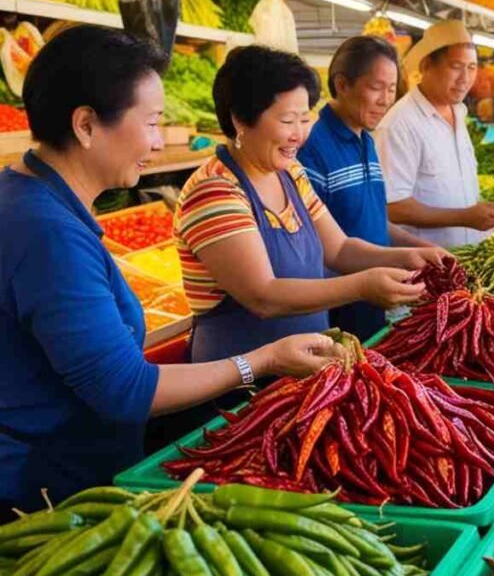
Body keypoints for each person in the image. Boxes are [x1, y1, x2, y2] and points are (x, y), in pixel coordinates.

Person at [0, 26, 346, 513]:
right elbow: (125, 388)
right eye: (151, 123)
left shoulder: (31, 198)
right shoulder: (46, 231)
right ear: (85, 125)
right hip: (48, 492)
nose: (160, 143)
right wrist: (261, 361)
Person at [175, 45, 441, 365]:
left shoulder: (291, 173)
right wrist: (361, 286)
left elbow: (339, 249)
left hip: (306, 369)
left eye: (305, 119)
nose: (299, 136)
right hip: (239, 385)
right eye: (288, 120)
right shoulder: (213, 191)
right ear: (240, 120)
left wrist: (408, 257)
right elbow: (263, 295)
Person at [299, 36, 437, 341]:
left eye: (391, 89)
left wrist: (420, 248)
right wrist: (399, 259)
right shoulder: (311, 147)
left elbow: (374, 221)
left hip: (374, 303)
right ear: (343, 84)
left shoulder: (366, 140)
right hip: (335, 311)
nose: (386, 99)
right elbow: (314, 243)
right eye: (376, 88)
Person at [378, 20, 494, 247]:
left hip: (468, 257)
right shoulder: (400, 124)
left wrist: (486, 210)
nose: (465, 79)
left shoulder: (459, 112)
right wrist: (464, 217)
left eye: (471, 68)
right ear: (426, 66)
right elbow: (392, 207)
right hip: (426, 266)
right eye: (456, 67)